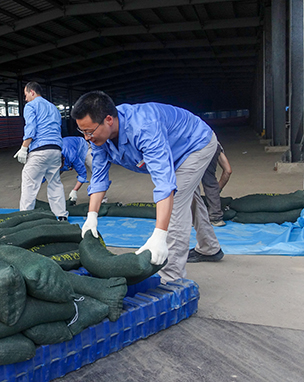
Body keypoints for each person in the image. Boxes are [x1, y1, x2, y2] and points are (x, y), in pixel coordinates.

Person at [72, 91, 224, 284]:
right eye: (83, 132)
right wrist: (91, 216)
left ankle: (171, 280)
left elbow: (164, 185)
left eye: (89, 131)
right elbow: (99, 176)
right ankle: (209, 247)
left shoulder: (144, 128)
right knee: (187, 197)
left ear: (108, 119)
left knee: (176, 202)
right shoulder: (101, 138)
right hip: (174, 147)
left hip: (194, 144)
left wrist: (160, 235)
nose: (87, 138)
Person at [14, 81, 68, 221]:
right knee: (55, 183)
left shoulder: (31, 106)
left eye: (26, 94)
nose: (25, 98)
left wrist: (24, 148)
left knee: (29, 183)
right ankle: (61, 215)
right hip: (56, 149)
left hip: (40, 149)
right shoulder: (54, 108)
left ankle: (25, 217)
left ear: (32, 92)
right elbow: (59, 128)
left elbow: (31, 127)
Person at [201, 143, 232, 226]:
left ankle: (191, 217)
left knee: (189, 184)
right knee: (210, 182)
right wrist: (215, 191)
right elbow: (228, 171)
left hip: (189, 147)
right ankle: (216, 217)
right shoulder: (214, 142)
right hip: (210, 147)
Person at [60, 136, 92, 203]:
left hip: (84, 148)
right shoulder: (50, 159)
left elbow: (82, 174)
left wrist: (74, 190)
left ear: (63, 159)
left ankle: (101, 199)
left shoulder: (71, 155)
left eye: (59, 166)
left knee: (95, 169)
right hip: (68, 147)